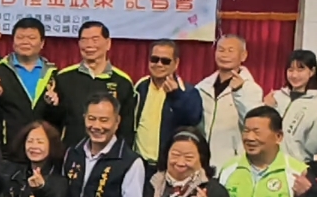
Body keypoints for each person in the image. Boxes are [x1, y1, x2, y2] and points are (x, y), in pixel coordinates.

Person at [61, 93, 146, 197]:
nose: (97, 126)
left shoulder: (130, 161)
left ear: (117, 121)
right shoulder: (72, 153)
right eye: (91, 119)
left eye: (104, 120)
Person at [0, 17, 58, 159]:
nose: (25, 42)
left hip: (43, 153)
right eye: (20, 37)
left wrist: (54, 105)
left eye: (31, 38)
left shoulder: (53, 74)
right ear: (13, 42)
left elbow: (62, 117)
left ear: (42, 43)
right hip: (6, 153)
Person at [50, 21, 137, 150]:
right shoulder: (64, 78)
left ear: (108, 43)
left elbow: (126, 128)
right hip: (71, 153)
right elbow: (54, 123)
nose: (89, 45)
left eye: (95, 40)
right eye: (84, 40)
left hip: (108, 155)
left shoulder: (123, 82)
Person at [132, 40, 204, 170]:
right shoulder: (140, 87)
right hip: (139, 164)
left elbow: (192, 120)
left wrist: (176, 96)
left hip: (169, 166)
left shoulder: (188, 92)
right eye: (154, 59)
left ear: (176, 63)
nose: (159, 64)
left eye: (165, 61)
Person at [192, 35, 262, 168]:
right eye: (221, 50)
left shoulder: (251, 89)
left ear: (243, 56)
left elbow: (253, 121)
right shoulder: (202, 87)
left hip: (232, 162)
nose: (225, 55)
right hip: (202, 162)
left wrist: (239, 92)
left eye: (231, 50)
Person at [265, 49, 317, 163]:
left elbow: (314, 148)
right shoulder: (275, 97)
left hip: (297, 166)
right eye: (290, 70)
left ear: (312, 71)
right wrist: (268, 108)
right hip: (268, 162)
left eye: (301, 70)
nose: (294, 75)